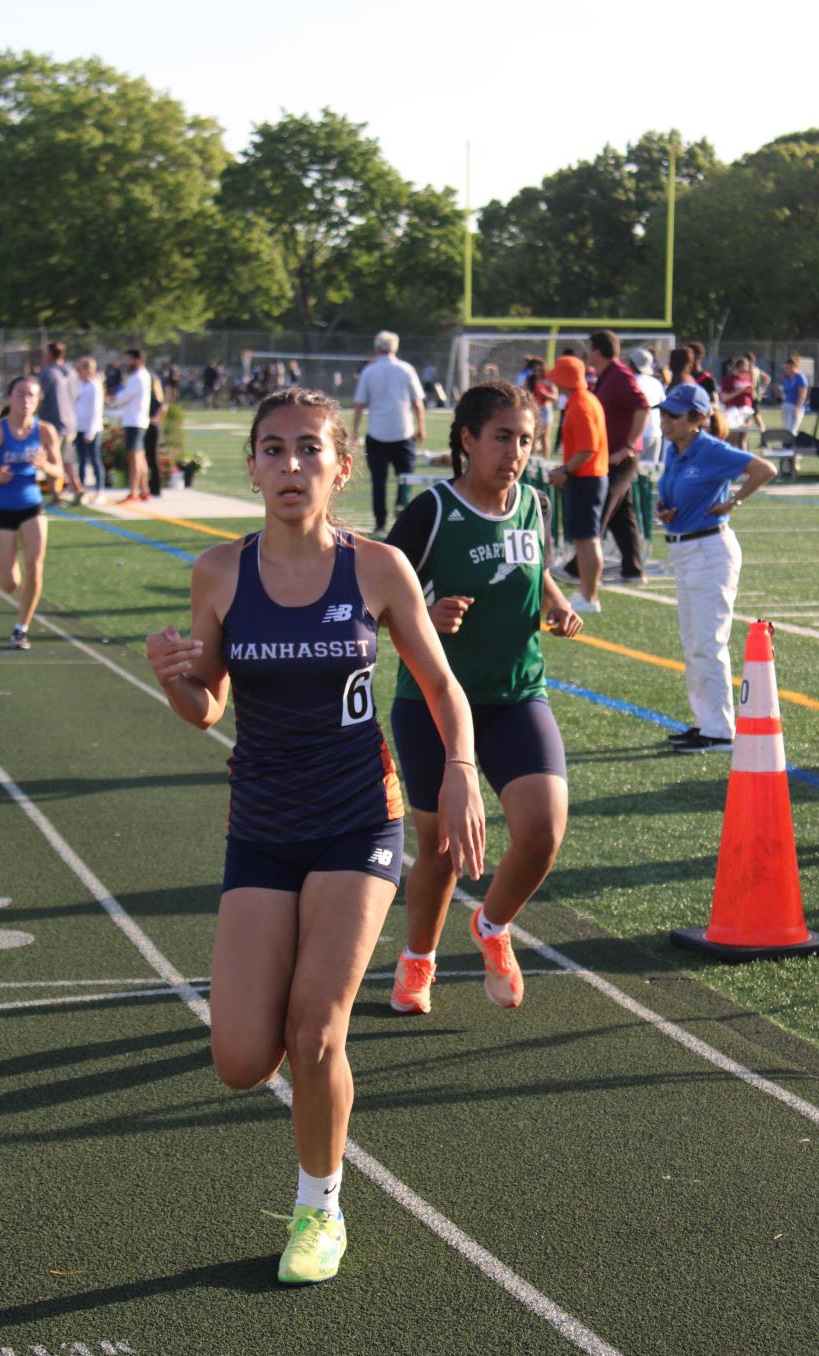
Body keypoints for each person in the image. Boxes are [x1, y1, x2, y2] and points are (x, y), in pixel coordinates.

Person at [144, 387, 484, 1285]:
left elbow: (442, 687)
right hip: (261, 822)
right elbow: (207, 706)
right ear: (252, 467)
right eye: (273, 449)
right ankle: (312, 1171)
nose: (291, 465)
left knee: (315, 1030)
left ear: (340, 467)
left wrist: (458, 768)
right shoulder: (220, 572)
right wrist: (175, 677)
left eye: (308, 449)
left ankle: (319, 1209)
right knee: (239, 1060)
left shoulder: (377, 569)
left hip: (356, 820)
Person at [385, 382, 581, 1018]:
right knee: (441, 853)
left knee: (543, 833)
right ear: (467, 440)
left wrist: (556, 603)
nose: (516, 452)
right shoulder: (431, 511)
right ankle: (418, 959)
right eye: (502, 437)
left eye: (526, 439)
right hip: (435, 703)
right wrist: (426, 614)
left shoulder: (533, 502)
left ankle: (493, 927)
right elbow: (376, 592)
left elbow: (534, 565)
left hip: (517, 695)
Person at [656, 384, 776, 752]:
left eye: (673, 415)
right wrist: (665, 510)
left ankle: (720, 731)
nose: (665, 421)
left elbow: (765, 469)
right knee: (693, 644)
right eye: (663, 413)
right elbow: (675, 494)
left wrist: (734, 502)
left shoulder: (710, 449)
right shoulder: (675, 450)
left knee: (708, 644)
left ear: (697, 419)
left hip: (710, 552)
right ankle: (704, 722)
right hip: (685, 551)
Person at [0, 375, 63, 650]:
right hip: (1, 507)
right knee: (9, 584)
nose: (25, 400)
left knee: (35, 568)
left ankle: (21, 629)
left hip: (32, 506)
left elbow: (59, 474)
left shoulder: (45, 431)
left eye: (31, 395)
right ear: (9, 398)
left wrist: (45, 467)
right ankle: (3, 568)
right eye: (20, 394)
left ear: (38, 400)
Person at [545, 355, 609, 612]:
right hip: (588, 477)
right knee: (584, 540)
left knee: (588, 539)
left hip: (588, 479)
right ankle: (586, 592)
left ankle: (590, 596)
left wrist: (565, 470)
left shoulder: (581, 404)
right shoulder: (583, 400)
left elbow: (587, 448)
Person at [585, 330, 648, 583]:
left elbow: (642, 406)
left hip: (621, 457)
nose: (587, 353)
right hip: (609, 455)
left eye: (589, 348)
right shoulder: (607, 376)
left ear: (598, 350)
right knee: (622, 516)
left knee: (601, 506)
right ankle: (633, 569)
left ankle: (578, 566)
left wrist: (629, 446)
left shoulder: (619, 375)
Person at [351, 331, 426, 537]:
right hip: (403, 431)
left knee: (379, 482)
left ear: (377, 348)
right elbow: (417, 402)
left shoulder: (369, 371)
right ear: (395, 347)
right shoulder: (406, 369)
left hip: (377, 433)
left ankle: (380, 524)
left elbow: (359, 405)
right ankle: (402, 509)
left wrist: (355, 431)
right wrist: (421, 427)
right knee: (406, 478)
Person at [628, 349, 666, 554]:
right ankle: (652, 514)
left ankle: (637, 514)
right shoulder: (655, 382)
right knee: (652, 477)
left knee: (633, 477)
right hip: (656, 432)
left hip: (637, 433)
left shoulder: (632, 381)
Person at [37, 342, 80, 500]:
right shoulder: (71, 372)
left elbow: (38, 397)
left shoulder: (49, 373)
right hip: (70, 422)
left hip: (53, 423)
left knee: (51, 461)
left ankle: (56, 496)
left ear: (49, 354)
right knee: (67, 460)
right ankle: (77, 487)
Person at [113, 349, 151, 502]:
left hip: (134, 420)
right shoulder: (141, 375)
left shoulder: (138, 377)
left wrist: (117, 394)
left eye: (129, 359)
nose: (127, 362)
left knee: (134, 456)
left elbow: (123, 397)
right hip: (136, 420)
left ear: (137, 359)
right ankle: (144, 489)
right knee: (139, 456)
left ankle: (134, 491)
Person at [75, 357, 105, 502]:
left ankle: (100, 491)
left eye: (80, 368)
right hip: (79, 428)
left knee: (94, 460)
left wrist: (91, 432)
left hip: (91, 429)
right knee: (81, 461)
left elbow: (96, 410)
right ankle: (81, 490)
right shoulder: (80, 384)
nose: (78, 371)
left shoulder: (95, 386)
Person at [720, 357, 754, 449]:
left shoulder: (747, 378)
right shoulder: (728, 379)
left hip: (747, 411)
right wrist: (739, 391)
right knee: (734, 440)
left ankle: (745, 457)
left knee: (743, 440)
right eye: (746, 366)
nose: (748, 368)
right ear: (740, 366)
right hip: (734, 412)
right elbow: (724, 398)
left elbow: (752, 395)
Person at [145, 371, 167, 498]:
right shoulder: (156, 396)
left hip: (151, 428)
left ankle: (156, 487)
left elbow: (162, 409)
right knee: (152, 458)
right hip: (154, 428)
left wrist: (155, 419)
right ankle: (153, 485)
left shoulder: (153, 397)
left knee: (152, 458)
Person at [780, 355, 808, 437]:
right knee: (787, 430)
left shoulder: (800, 377)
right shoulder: (787, 378)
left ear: (793, 367)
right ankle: (787, 444)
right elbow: (785, 395)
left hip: (795, 407)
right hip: (786, 406)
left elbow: (802, 395)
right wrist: (779, 393)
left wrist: (797, 409)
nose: (785, 370)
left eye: (787, 367)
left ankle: (792, 444)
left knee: (792, 431)